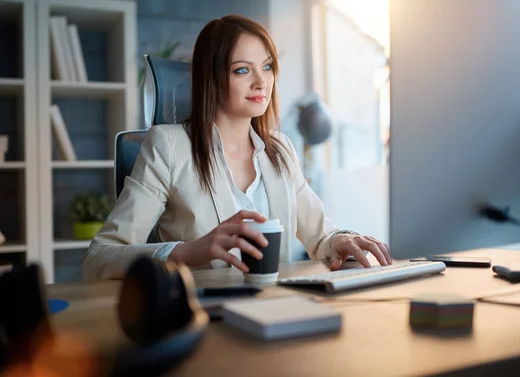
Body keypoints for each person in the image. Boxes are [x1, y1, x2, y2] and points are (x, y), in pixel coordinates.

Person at [81, 14, 392, 282]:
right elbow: (100, 257)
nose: (261, 82)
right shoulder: (169, 147)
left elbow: (321, 236)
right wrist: (187, 251)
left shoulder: (280, 150)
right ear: (212, 78)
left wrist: (342, 240)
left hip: (277, 312)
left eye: (267, 67)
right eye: (242, 70)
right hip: (204, 317)